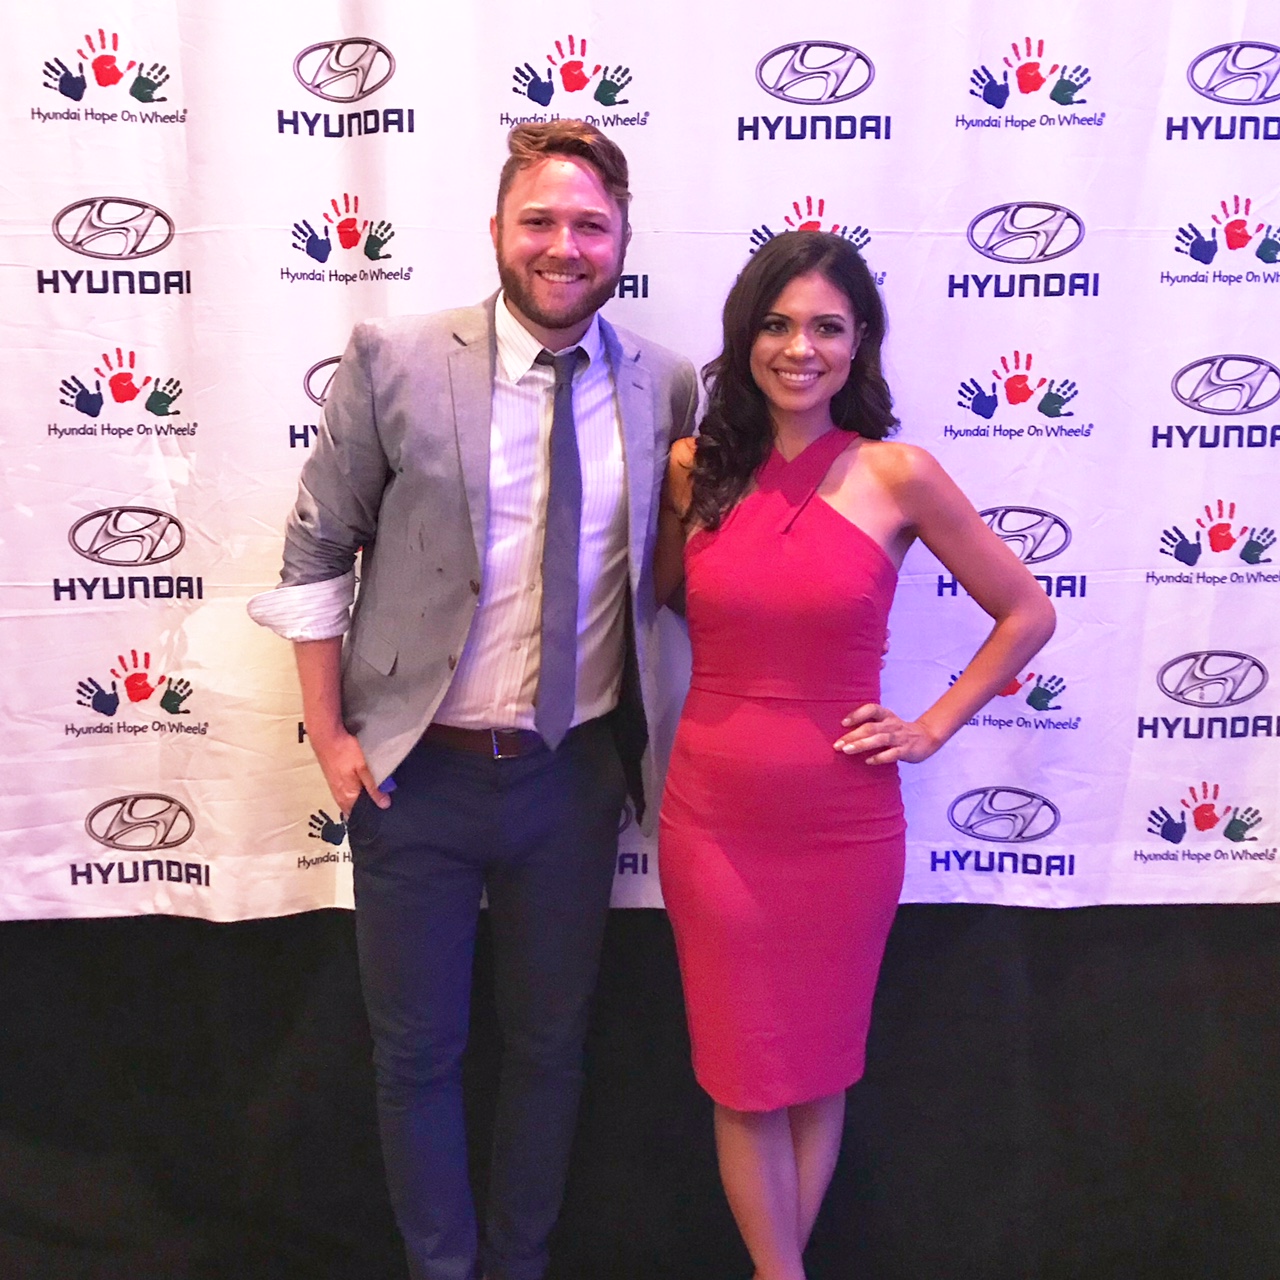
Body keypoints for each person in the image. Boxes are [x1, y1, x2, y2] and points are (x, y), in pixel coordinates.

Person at [248, 121, 697, 1280]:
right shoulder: (396, 358)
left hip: (572, 776)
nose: (563, 245)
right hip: (418, 777)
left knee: (549, 1049)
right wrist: (331, 736)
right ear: (496, 230)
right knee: (417, 1055)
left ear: (622, 240)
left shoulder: (664, 384)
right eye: (538, 220)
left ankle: (521, 1261)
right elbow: (317, 550)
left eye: (589, 224)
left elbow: (677, 574)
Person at [654, 231, 1055, 1280]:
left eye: (826, 327)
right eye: (777, 324)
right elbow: (661, 598)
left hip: (844, 824)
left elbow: (1026, 612)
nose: (800, 347)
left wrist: (931, 724)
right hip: (712, 819)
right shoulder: (694, 469)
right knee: (744, 1074)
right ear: (746, 337)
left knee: (817, 1067)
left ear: (859, 341)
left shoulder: (898, 473)